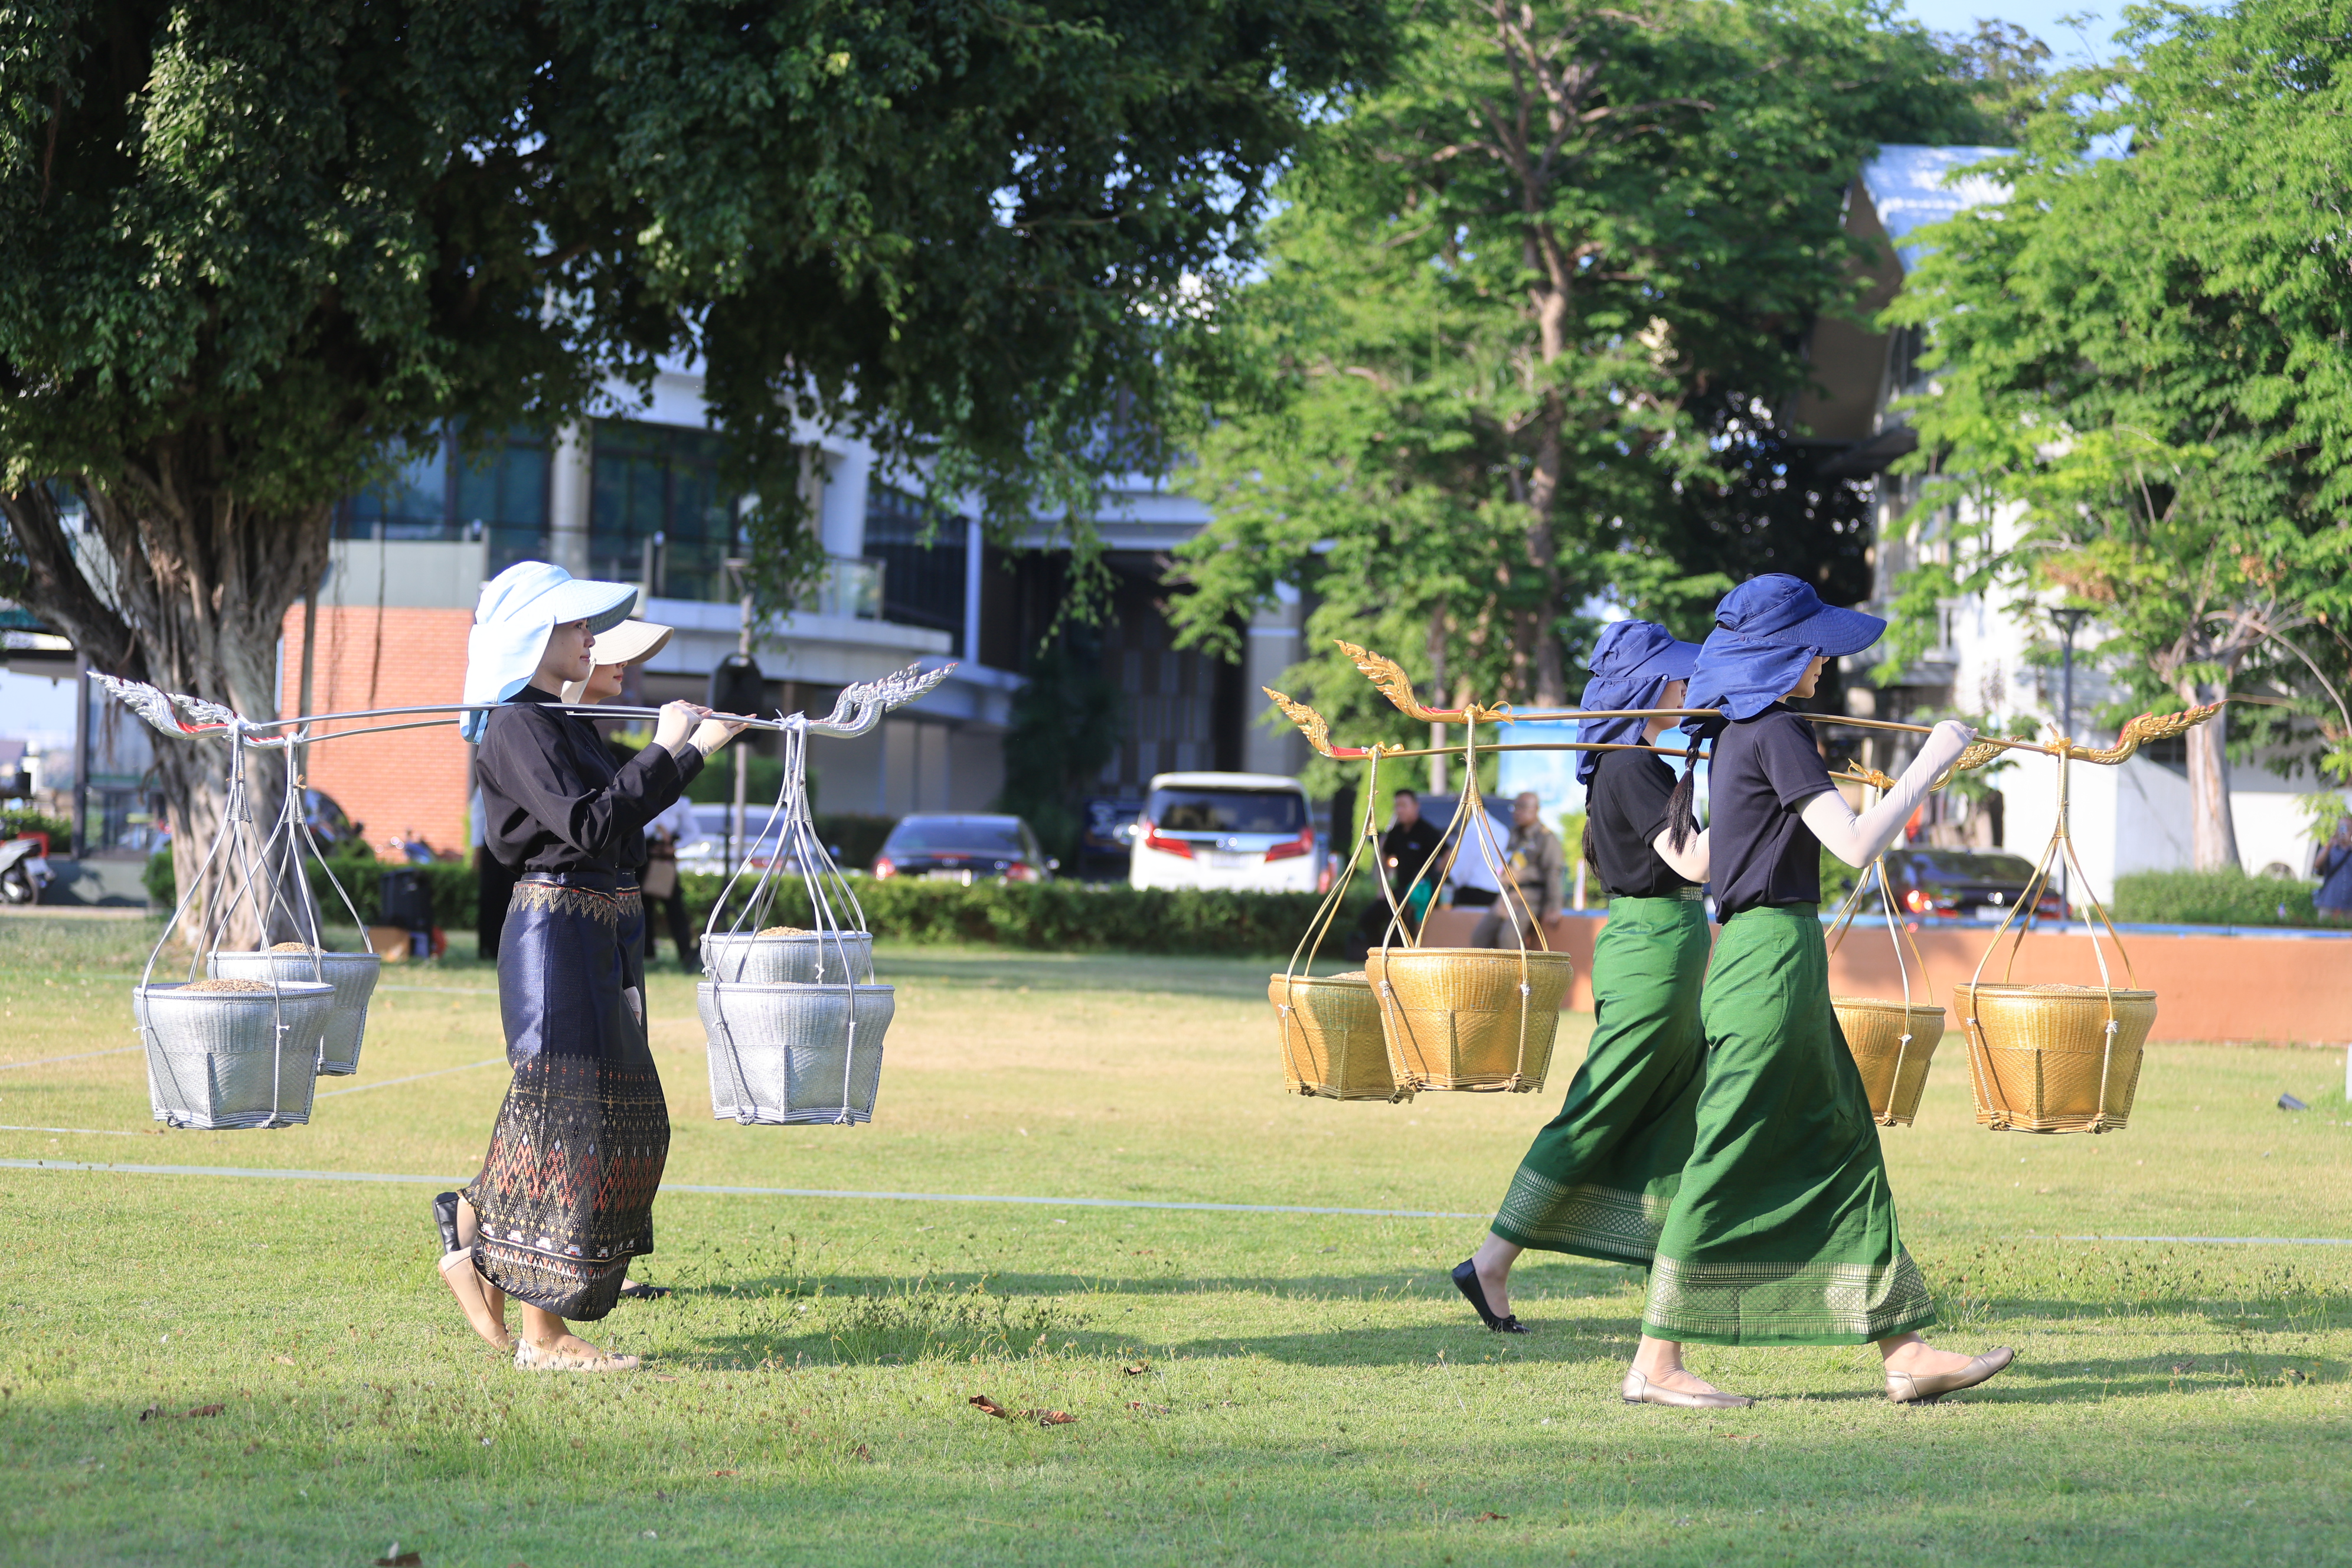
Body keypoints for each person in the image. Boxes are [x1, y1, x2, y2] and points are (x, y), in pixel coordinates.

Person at [1633, 573, 2013, 1407]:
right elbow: (1853, 845)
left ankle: (1904, 1352)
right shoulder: (1774, 730)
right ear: (1782, 655)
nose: (1823, 663)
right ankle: (1654, 1363)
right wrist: (1931, 764)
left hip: (1778, 959)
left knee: (1843, 1143)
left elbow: (1701, 864)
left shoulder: (1745, 732)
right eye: (1813, 648)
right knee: (1727, 1149)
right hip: (1765, 964)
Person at [432, 562, 742, 1371]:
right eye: (576, 627)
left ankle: (468, 1230)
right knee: (570, 1133)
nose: (591, 641)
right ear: (534, 636)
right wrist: (674, 745)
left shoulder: (563, 723)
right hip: (554, 934)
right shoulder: (513, 724)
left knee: (619, 1122)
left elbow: (624, 826)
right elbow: (589, 824)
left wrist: (696, 748)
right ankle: (545, 1335)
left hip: (598, 931)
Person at [1452, 620, 1712, 1342]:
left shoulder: (1637, 761)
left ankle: (1674, 1272)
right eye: (1675, 674)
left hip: (1670, 950)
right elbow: (1694, 863)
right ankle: (1492, 1260)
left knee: (1672, 1111)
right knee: (1599, 1107)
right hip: (1652, 955)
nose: (1686, 686)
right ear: (1645, 687)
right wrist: (1771, 800)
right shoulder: (1629, 766)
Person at [1347, 788, 1446, 955]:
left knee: (1398, 918)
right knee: (1368, 918)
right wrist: (1381, 887)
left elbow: (1448, 853)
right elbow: (1383, 856)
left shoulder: (1426, 830)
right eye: (1397, 806)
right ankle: (1379, 953)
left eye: (1404, 806)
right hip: (1400, 889)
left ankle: (1397, 955)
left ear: (1416, 806)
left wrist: (1435, 876)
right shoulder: (1397, 832)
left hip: (1420, 890)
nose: (1400, 810)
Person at [1467, 792, 1564, 948]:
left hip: (1530, 898)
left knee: (1509, 939)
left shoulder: (1545, 838)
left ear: (1536, 809)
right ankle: (1489, 972)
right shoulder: (1514, 834)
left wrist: (1554, 906)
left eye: (1523, 807)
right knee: (1480, 937)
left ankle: (1517, 973)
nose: (1517, 812)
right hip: (1507, 896)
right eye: (1515, 807)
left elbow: (1553, 873)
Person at [2315, 813, 2352, 921]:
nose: (2344, 832)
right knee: (2324, 934)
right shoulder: (2330, 849)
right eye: (2341, 828)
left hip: (2349, 905)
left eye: (2348, 828)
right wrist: (2329, 845)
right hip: (2328, 902)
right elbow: (2317, 864)